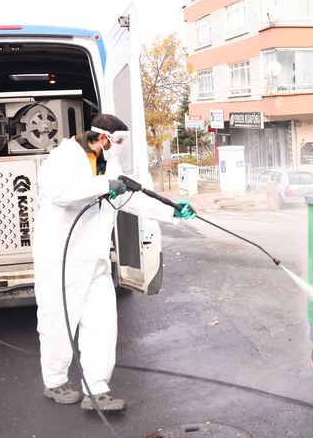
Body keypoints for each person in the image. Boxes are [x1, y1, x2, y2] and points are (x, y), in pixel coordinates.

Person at [32, 113, 195, 411]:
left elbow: (129, 200)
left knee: (103, 325)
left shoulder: (109, 165)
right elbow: (61, 193)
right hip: (62, 258)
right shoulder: (62, 158)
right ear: (101, 138)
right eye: (116, 141)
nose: (119, 148)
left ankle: (97, 389)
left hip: (95, 258)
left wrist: (172, 210)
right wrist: (104, 184)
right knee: (58, 321)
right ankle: (55, 381)